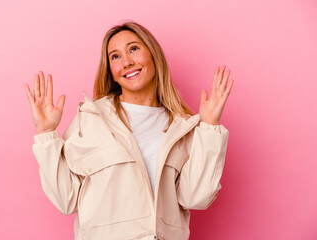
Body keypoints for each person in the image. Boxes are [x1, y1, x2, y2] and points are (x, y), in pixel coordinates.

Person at [24, 21, 233, 240]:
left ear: (153, 55)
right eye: (115, 56)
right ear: (111, 72)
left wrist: (209, 126)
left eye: (133, 48)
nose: (126, 62)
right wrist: (46, 133)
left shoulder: (183, 128)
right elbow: (66, 199)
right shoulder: (91, 118)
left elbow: (195, 198)